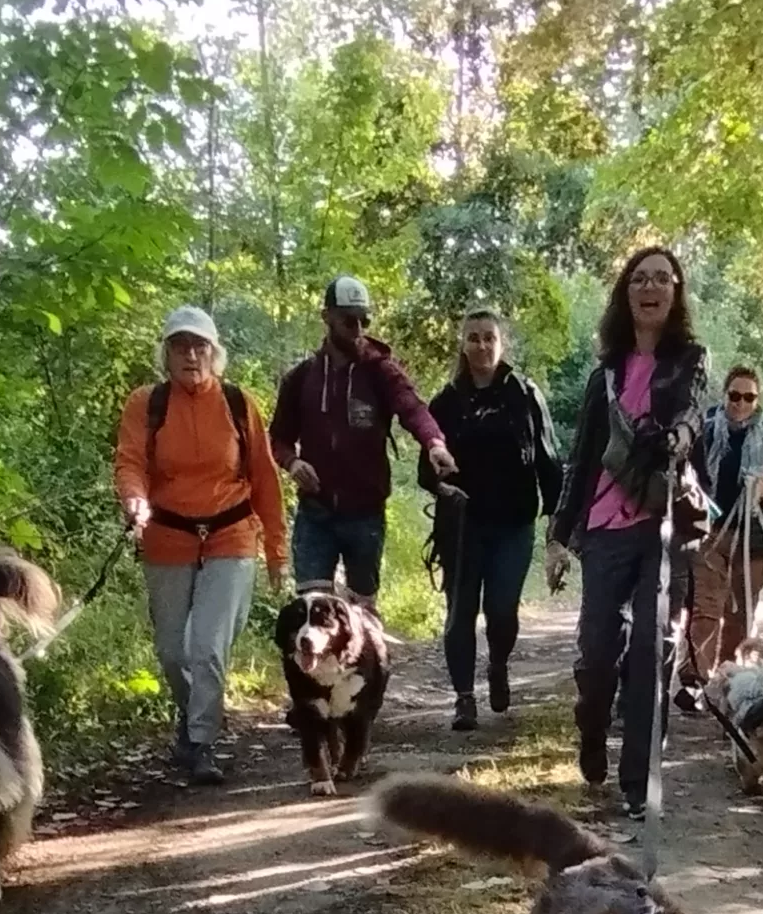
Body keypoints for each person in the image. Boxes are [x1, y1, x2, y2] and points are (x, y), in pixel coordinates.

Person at [545, 244, 712, 819]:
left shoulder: (690, 358)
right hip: (603, 528)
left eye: (663, 279)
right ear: (626, 293)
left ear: (676, 293)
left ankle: (639, 782)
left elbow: (692, 413)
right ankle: (591, 730)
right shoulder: (604, 374)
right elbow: (582, 456)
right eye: (640, 279)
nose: (651, 287)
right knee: (596, 657)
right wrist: (558, 536)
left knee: (653, 648)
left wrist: (674, 440)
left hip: (662, 524)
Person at [113, 305, 288, 786]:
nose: (190, 355)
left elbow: (266, 480)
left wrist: (276, 550)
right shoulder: (146, 404)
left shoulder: (237, 402)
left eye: (199, 346)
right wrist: (135, 500)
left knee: (206, 647)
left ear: (215, 354)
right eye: (180, 346)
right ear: (165, 355)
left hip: (232, 536)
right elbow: (130, 461)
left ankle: (202, 742)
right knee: (173, 653)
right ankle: (193, 717)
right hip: (167, 536)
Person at [268, 274, 456, 605]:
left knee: (362, 611)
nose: (357, 329)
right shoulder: (301, 379)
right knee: (314, 610)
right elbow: (278, 439)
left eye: (363, 320)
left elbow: (412, 408)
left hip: (365, 514)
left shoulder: (381, 372)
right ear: (326, 317)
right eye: (348, 321)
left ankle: (366, 657)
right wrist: (292, 462)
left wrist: (434, 444)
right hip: (316, 514)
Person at [419, 309, 565, 730]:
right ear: (462, 345)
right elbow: (425, 470)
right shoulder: (445, 402)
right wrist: (443, 488)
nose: (482, 346)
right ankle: (464, 698)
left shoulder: (524, 394)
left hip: (513, 524)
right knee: (459, 612)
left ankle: (498, 662)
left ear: (501, 344)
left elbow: (549, 459)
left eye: (489, 338)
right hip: (462, 527)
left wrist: (557, 525)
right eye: (473, 338)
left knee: (502, 610)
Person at [679, 364, 763, 705]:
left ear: (758, 400)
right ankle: (695, 680)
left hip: (754, 540)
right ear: (725, 395)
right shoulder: (704, 431)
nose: (740, 403)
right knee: (704, 607)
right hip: (709, 533)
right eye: (734, 395)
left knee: (740, 614)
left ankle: (731, 680)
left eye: (748, 397)